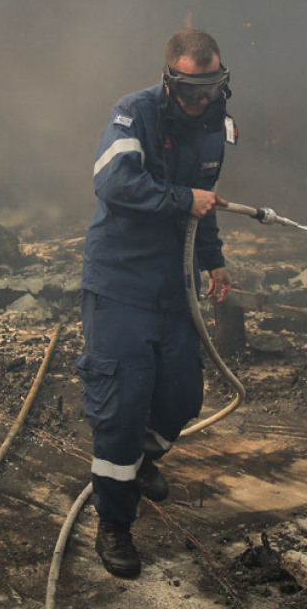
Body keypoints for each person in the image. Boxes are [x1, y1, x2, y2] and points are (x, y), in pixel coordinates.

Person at [77, 28, 235, 578]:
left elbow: (205, 203)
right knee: (120, 409)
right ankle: (114, 525)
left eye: (211, 88)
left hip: (174, 285)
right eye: (192, 89)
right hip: (121, 284)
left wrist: (213, 258)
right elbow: (114, 184)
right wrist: (180, 199)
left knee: (182, 397)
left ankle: (142, 461)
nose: (201, 100)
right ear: (170, 79)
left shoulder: (215, 129)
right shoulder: (134, 113)